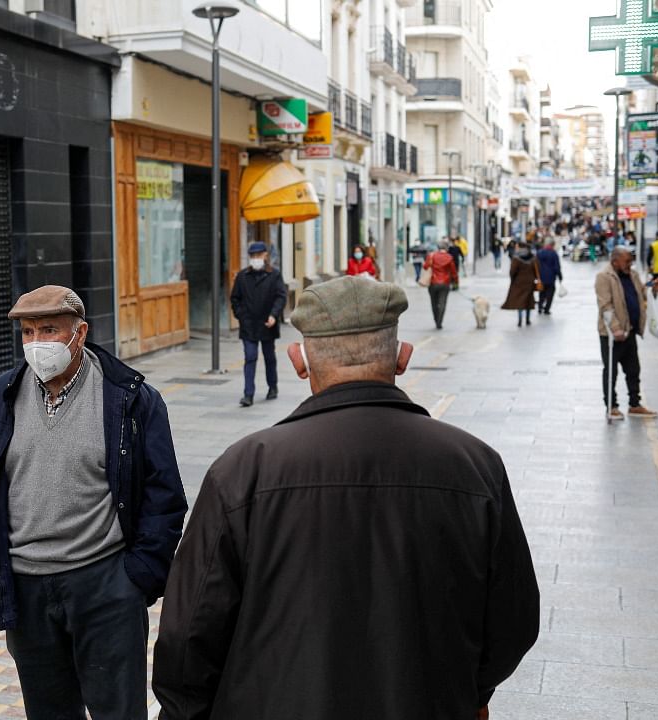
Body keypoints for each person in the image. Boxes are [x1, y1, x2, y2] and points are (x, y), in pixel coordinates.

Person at [152, 276, 540, 720]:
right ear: (402, 357)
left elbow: (188, 632)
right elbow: (514, 620)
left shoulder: (244, 470)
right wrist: (464, 689)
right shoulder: (475, 465)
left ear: (299, 361)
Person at [0, 285, 187, 720]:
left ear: (79, 333)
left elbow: (165, 495)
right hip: (25, 590)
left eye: (48, 329)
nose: (36, 343)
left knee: (118, 711)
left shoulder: (130, 398)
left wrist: (137, 578)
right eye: (27, 332)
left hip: (104, 584)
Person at [597, 249, 658, 420]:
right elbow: (605, 305)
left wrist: (653, 288)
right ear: (615, 261)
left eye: (631, 261)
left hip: (630, 330)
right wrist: (615, 328)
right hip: (611, 334)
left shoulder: (632, 274)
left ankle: (635, 404)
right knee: (611, 371)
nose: (629, 265)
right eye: (626, 261)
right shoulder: (604, 277)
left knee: (633, 370)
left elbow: (641, 292)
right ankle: (611, 406)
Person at [232, 242, 288, 406]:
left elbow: (281, 296)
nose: (255, 259)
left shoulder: (274, 275)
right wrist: (241, 316)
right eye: (252, 256)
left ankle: (273, 387)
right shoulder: (243, 276)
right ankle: (248, 394)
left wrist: (274, 315)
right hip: (248, 324)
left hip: (267, 323)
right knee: (250, 357)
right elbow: (235, 298)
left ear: (265, 256)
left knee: (269, 357)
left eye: (258, 256)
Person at [502, 241, 540, 328]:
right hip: (529, 282)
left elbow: (512, 271)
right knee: (528, 300)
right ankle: (527, 319)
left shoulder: (516, 258)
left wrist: (513, 279)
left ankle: (520, 320)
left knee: (520, 300)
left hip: (518, 282)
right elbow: (537, 269)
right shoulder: (533, 257)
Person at [423, 239, 459, 329]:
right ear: (446, 248)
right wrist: (456, 282)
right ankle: (439, 322)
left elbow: (425, 266)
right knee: (442, 303)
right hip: (445, 283)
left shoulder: (432, 256)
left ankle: (436, 319)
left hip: (433, 283)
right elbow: (454, 272)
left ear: (438, 248)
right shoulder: (449, 257)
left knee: (434, 303)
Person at [536, 239, 564, 315]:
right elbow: (557, 267)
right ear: (552, 245)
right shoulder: (553, 254)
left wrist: (536, 275)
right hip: (551, 277)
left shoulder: (539, 253)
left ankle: (540, 306)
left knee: (542, 292)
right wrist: (560, 276)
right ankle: (547, 309)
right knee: (550, 294)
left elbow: (536, 265)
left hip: (541, 276)